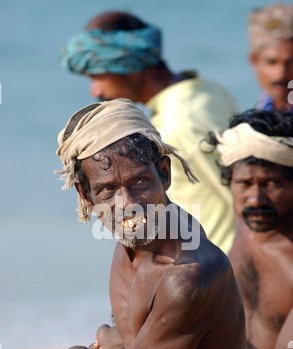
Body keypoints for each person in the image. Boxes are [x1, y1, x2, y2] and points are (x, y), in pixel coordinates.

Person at [47, 98, 265, 349]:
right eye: (107, 189)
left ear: (165, 172)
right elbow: (157, 319)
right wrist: (117, 338)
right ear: (85, 194)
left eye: (141, 181)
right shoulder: (138, 233)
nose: (128, 202)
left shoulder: (186, 276)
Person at [58, 11, 238, 255]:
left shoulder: (180, 123)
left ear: (128, 66)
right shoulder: (207, 90)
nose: (95, 90)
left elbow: (229, 202)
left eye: (98, 76)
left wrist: (222, 275)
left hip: (217, 264)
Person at [211, 109, 293, 349]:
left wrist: (180, 348)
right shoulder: (248, 220)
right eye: (245, 183)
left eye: (272, 183)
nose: (256, 199)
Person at [248, 3, 293, 112]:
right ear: (254, 61)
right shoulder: (260, 110)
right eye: (272, 62)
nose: (281, 74)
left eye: (291, 62)